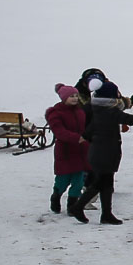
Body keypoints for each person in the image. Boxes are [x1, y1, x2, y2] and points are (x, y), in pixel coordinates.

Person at [69, 72, 133, 226]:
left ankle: (106, 214)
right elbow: (128, 119)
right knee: (100, 183)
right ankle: (79, 207)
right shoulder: (110, 111)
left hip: (100, 152)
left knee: (106, 183)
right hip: (105, 153)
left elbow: (92, 127)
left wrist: (86, 136)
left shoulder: (98, 109)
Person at [45, 83, 89, 214]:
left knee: (78, 181)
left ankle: (72, 205)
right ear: (64, 98)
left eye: (76, 95)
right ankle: (56, 196)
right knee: (63, 180)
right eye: (71, 96)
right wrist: (76, 138)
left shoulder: (80, 111)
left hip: (80, 150)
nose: (75, 98)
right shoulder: (56, 113)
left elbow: (85, 128)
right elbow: (59, 132)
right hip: (65, 151)